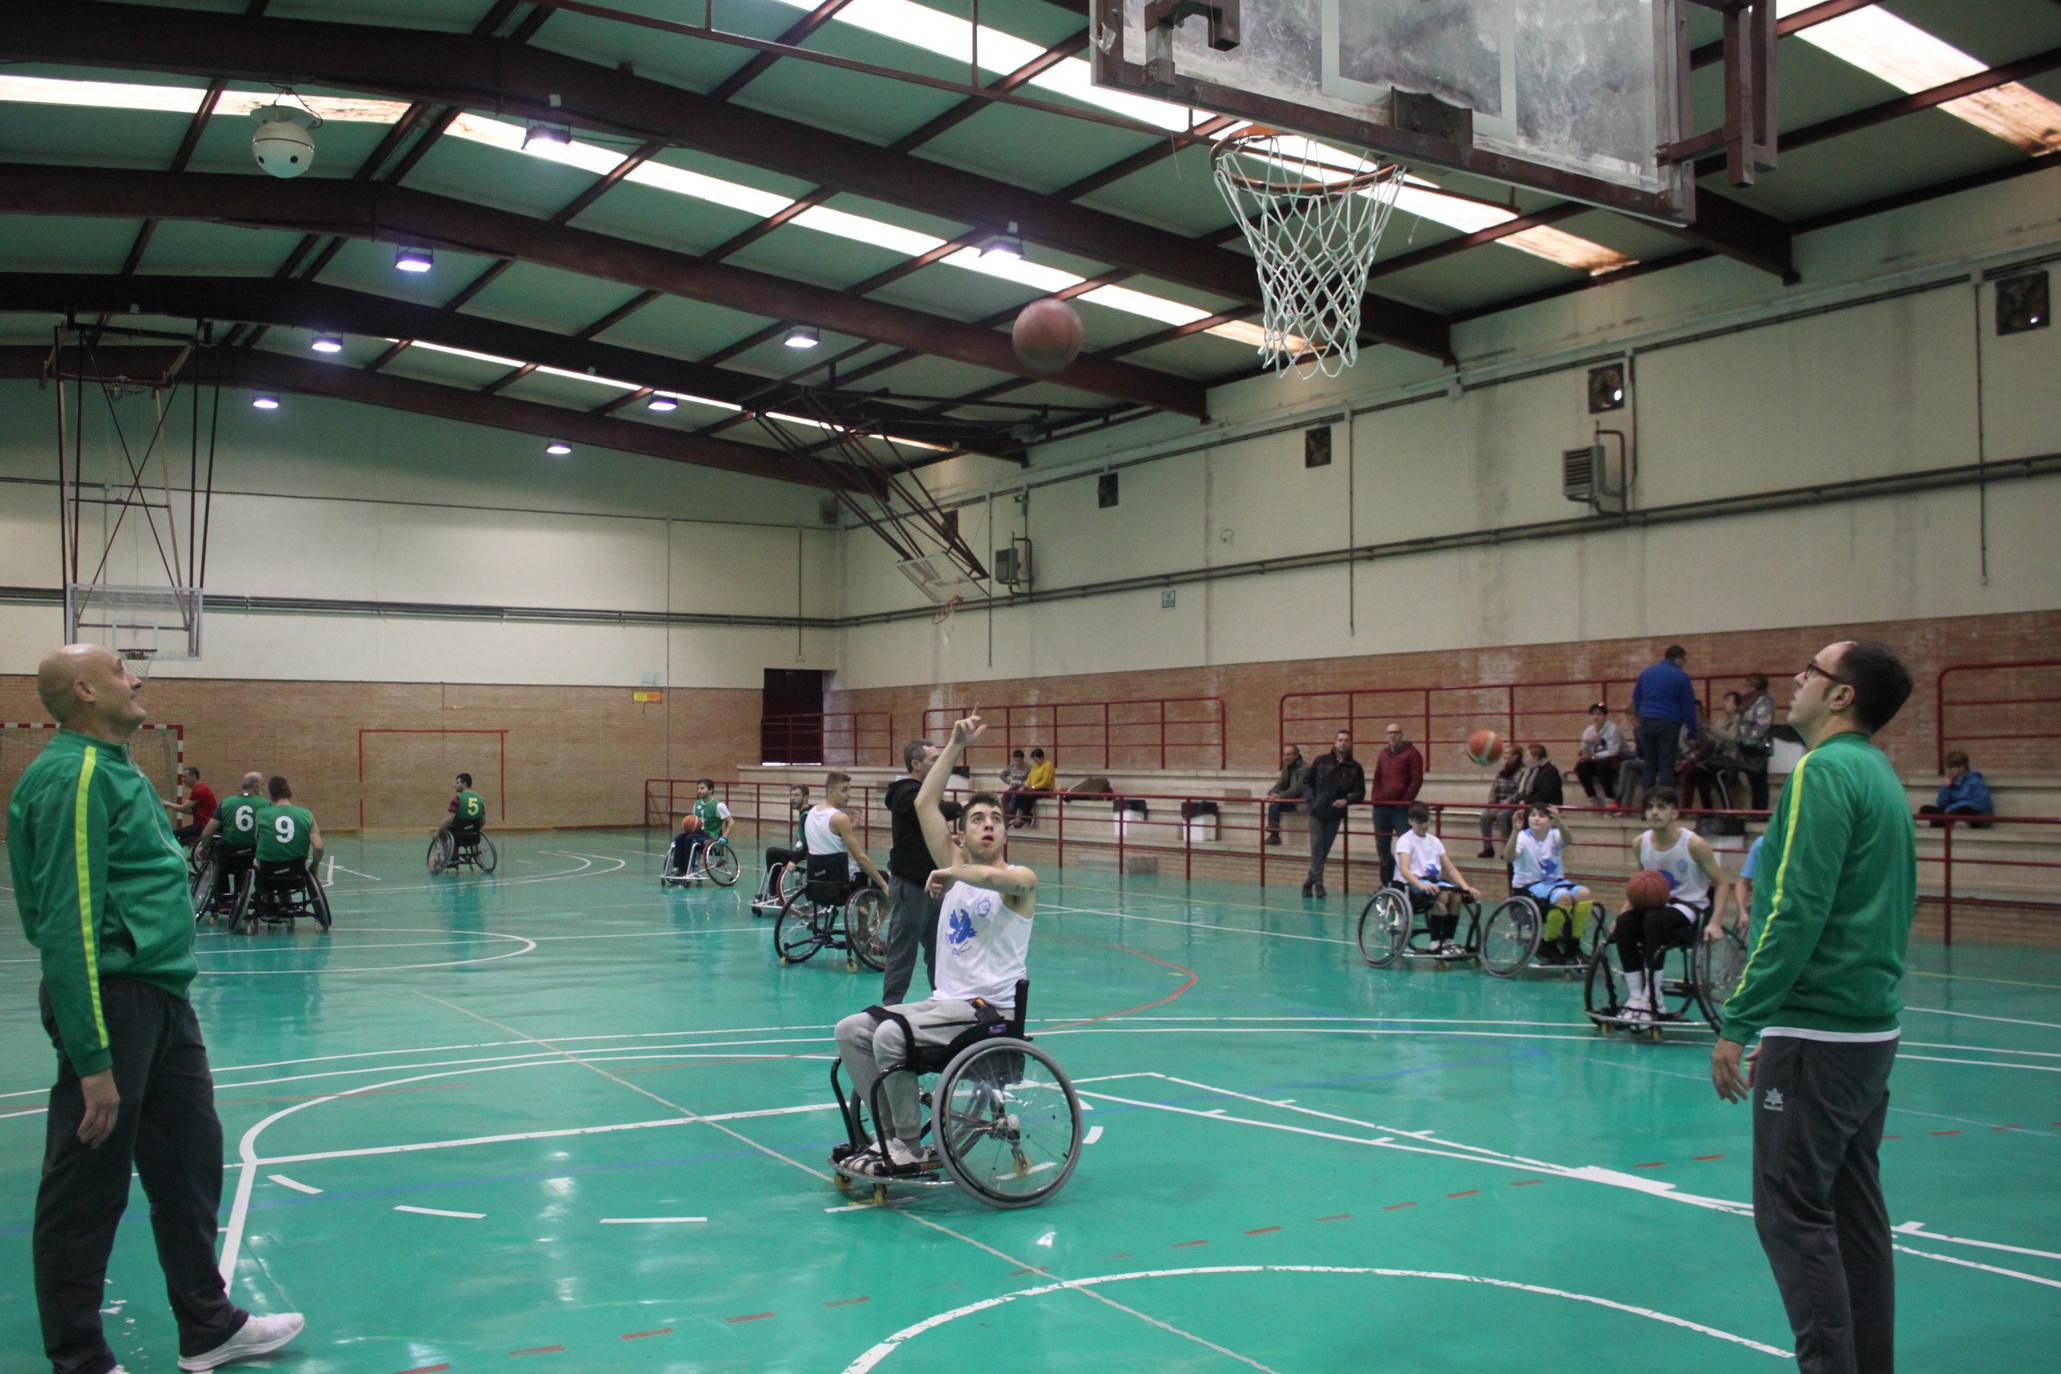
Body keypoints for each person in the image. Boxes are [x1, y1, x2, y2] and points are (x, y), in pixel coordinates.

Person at [9, 644, 305, 1374]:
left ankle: (208, 1327)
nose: (135, 679)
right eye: (118, 671)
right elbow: (68, 921)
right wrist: (93, 1057)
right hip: (115, 1003)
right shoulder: (74, 777)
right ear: (83, 689)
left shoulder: (117, 770)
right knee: (87, 1184)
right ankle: (80, 1357)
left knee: (190, 1162)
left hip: (163, 996)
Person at [1712, 640, 1917, 1374]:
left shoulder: (1823, 772)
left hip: (1819, 1030)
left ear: (1839, 696)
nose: (1796, 680)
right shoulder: (1878, 776)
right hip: (1867, 1029)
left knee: (1791, 1214)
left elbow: (1793, 910)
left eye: (1811, 671)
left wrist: (1743, 1019)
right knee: (1852, 1212)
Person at [833, 711, 1036, 1176]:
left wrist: (953, 870)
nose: (989, 824)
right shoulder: (954, 864)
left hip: (989, 1013)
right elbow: (926, 803)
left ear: (1005, 832)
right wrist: (955, 747)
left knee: (889, 1035)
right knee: (851, 1030)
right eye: (978, 818)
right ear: (960, 834)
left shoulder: (1017, 880)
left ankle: (908, 1145)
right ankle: (886, 1138)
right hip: (947, 1005)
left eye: (996, 819)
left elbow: (987, 875)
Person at [1608, 786, 1731, 1020]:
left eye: (1661, 807)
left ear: (1675, 813)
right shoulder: (1639, 843)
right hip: (1655, 907)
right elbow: (1640, 885)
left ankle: (1654, 998)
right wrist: (1623, 913)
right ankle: (1636, 996)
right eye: (1650, 807)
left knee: (1654, 919)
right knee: (1625, 923)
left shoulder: (1694, 844)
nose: (1654, 812)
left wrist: (1715, 922)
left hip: (1689, 907)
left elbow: (1723, 882)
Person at [882, 740, 964, 1004]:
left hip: (937, 885)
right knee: (903, 951)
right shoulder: (906, 793)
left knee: (940, 950)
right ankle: (892, 1007)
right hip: (912, 886)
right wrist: (961, 806)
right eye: (933, 759)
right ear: (916, 765)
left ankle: (943, 1000)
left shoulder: (926, 794)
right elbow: (926, 806)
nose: (939, 764)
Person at [1499, 805, 1595, 964]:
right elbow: (1508, 857)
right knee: (1563, 898)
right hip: (1528, 887)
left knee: (1585, 893)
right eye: (1533, 815)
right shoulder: (1522, 837)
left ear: (1550, 821)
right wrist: (1515, 831)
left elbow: (1569, 840)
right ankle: (1547, 945)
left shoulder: (1555, 835)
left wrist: (1559, 820)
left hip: (1555, 883)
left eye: (1542, 816)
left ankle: (1573, 945)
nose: (1536, 818)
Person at [1393, 802, 1479, 958]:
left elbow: (1451, 868)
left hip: (1434, 882)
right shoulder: (1405, 841)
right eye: (1420, 821)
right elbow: (1404, 869)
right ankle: (1435, 942)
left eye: (1427, 821)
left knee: (1457, 896)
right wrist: (1420, 884)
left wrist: (1466, 887)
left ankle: (1448, 941)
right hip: (1412, 885)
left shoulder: (1434, 841)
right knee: (1443, 895)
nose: (1424, 825)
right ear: (1411, 821)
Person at [1300, 729, 1365, 900]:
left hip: (1335, 814)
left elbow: (1360, 792)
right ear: (1334, 742)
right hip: (1317, 812)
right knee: (1316, 847)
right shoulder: (1320, 761)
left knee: (1324, 850)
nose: (1343, 743)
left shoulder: (1355, 767)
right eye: (1340, 740)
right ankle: (1319, 883)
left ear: (1350, 744)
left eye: (1346, 740)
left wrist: (1347, 800)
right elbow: (1307, 783)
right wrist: (1312, 801)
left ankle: (1309, 881)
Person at [805, 772, 891, 900]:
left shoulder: (811, 812)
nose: (848, 795)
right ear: (830, 791)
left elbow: (826, 839)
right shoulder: (840, 818)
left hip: (815, 879)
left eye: (849, 790)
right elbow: (861, 859)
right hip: (840, 882)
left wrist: (849, 829)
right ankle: (868, 920)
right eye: (844, 790)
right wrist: (883, 885)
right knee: (883, 877)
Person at [1632, 644, 1699, 792]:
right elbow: (1688, 706)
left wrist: (1642, 716)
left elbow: (1636, 698)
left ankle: (1647, 806)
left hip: (1647, 721)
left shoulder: (1647, 673)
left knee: (1649, 764)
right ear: (1680, 659)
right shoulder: (1681, 677)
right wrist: (1693, 731)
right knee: (1666, 764)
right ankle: (1665, 803)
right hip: (1669, 723)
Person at [196, 772, 265, 906]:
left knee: (217, 858)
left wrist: (204, 847)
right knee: (248, 863)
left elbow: (206, 834)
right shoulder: (265, 804)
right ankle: (242, 896)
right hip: (251, 855)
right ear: (256, 786)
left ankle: (222, 899)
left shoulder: (227, 803)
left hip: (229, 854)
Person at [1367, 723, 1422, 887]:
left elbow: (1416, 780)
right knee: (1382, 849)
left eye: (1396, 732)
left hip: (1401, 810)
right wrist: (1375, 798)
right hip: (1381, 808)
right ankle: (1387, 884)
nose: (1393, 736)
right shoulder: (1383, 754)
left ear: (1401, 734)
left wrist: (1405, 801)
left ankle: (1408, 883)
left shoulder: (1413, 754)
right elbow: (1377, 777)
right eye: (1390, 733)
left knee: (1405, 847)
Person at [254, 774, 324, 881]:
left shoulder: (261, 814)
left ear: (271, 795)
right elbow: (318, 846)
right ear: (289, 791)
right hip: (296, 869)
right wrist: (314, 866)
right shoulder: (306, 815)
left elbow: (258, 840)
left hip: (268, 871)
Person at [668, 778, 732, 874]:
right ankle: (678, 867)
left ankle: (692, 868)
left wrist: (724, 836)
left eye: (702, 788)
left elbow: (731, 822)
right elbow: (694, 822)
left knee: (690, 839)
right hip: (697, 833)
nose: (699, 791)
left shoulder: (719, 806)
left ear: (710, 790)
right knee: (679, 838)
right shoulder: (697, 804)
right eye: (698, 788)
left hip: (710, 835)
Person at [1919, 751, 1994, 828]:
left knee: (1963, 810)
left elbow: (1981, 805)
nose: (1948, 771)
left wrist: (1952, 808)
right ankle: (1954, 823)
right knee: (1925, 809)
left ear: (1962, 767)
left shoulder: (1975, 781)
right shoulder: (1951, 781)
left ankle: (1933, 823)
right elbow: (1941, 804)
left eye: (1952, 768)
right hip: (1951, 812)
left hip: (1975, 815)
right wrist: (1946, 787)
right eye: (1947, 768)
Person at [1736, 673, 1777, 810]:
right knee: (1752, 781)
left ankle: (1760, 811)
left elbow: (1762, 726)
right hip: (1745, 745)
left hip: (1757, 746)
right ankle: (1755, 809)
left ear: (1755, 687)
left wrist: (1748, 739)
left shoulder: (1764, 701)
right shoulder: (1746, 701)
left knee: (1759, 780)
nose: (1745, 688)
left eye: (1748, 685)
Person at [1475, 741, 1523, 858]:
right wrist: (1492, 805)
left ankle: (1508, 849)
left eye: (1508, 753)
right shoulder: (1501, 772)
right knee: (1485, 815)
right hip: (1498, 805)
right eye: (1504, 753)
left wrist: (1504, 805)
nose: (1505, 756)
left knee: (1503, 816)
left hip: (1513, 805)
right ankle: (1488, 848)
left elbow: (1520, 792)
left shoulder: (1523, 772)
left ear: (1515, 756)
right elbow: (1494, 789)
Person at [1575, 703, 1624, 801]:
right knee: (1580, 768)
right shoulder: (1588, 730)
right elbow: (1584, 749)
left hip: (1614, 759)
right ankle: (1592, 797)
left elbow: (1613, 751)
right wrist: (1585, 750)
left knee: (1603, 768)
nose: (1595, 717)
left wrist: (1594, 756)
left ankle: (1610, 798)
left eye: (1599, 714)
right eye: (1593, 714)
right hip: (1595, 759)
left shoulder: (1613, 729)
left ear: (1605, 716)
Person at [162, 765, 217, 848]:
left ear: (194, 776)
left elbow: (183, 807)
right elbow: (190, 811)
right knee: (180, 835)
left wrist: (167, 804)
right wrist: (171, 807)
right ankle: (192, 842)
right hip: (201, 825)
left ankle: (194, 842)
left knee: (175, 834)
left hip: (204, 826)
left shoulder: (200, 790)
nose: (183, 780)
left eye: (185, 777)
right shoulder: (200, 789)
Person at [1265, 743, 1307, 846]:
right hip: (1289, 800)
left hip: (1301, 803)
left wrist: (1279, 796)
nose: (1285, 757)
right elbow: (1280, 784)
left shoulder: (1304, 769)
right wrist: (1272, 793)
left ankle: (1274, 834)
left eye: (1289, 754)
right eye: (1284, 754)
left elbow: (1297, 789)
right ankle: (1274, 833)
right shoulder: (1287, 767)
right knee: (1274, 801)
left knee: (1276, 801)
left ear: (1296, 755)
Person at [1009, 748, 1055, 828]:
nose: (1035, 762)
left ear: (1042, 758)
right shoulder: (1035, 767)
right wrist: (1024, 787)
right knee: (1018, 794)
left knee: (1029, 795)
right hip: (1033, 788)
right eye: (1034, 760)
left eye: (1036, 760)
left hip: (1045, 789)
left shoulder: (1048, 765)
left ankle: (1026, 817)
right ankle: (1011, 816)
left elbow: (1045, 782)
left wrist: (1033, 787)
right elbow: (1029, 779)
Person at [439, 772, 486, 836]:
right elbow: (483, 820)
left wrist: (439, 832)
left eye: (457, 783)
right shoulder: (480, 798)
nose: (454, 785)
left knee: (445, 827)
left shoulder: (457, 798)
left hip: (458, 832)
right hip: (474, 834)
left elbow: (450, 818)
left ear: (464, 784)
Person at [1517, 743, 1563, 809]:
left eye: (1528, 757)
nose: (1526, 760)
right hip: (1529, 804)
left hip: (1544, 807)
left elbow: (1545, 794)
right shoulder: (1530, 770)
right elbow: (1523, 791)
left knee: (1504, 815)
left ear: (1535, 757)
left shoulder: (1550, 771)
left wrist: (1526, 801)